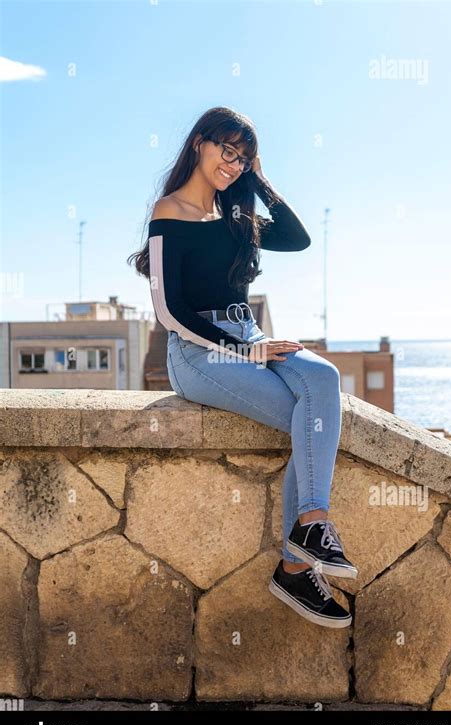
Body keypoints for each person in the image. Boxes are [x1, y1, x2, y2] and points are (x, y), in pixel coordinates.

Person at [128, 106, 358, 628]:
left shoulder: (236, 216)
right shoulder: (170, 211)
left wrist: (257, 180)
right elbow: (170, 313)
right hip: (197, 353)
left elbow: (298, 237)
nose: (232, 164)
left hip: (248, 335)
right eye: (226, 151)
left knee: (323, 379)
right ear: (199, 144)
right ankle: (298, 565)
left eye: (244, 158)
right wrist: (248, 353)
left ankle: (309, 530)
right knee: (308, 418)